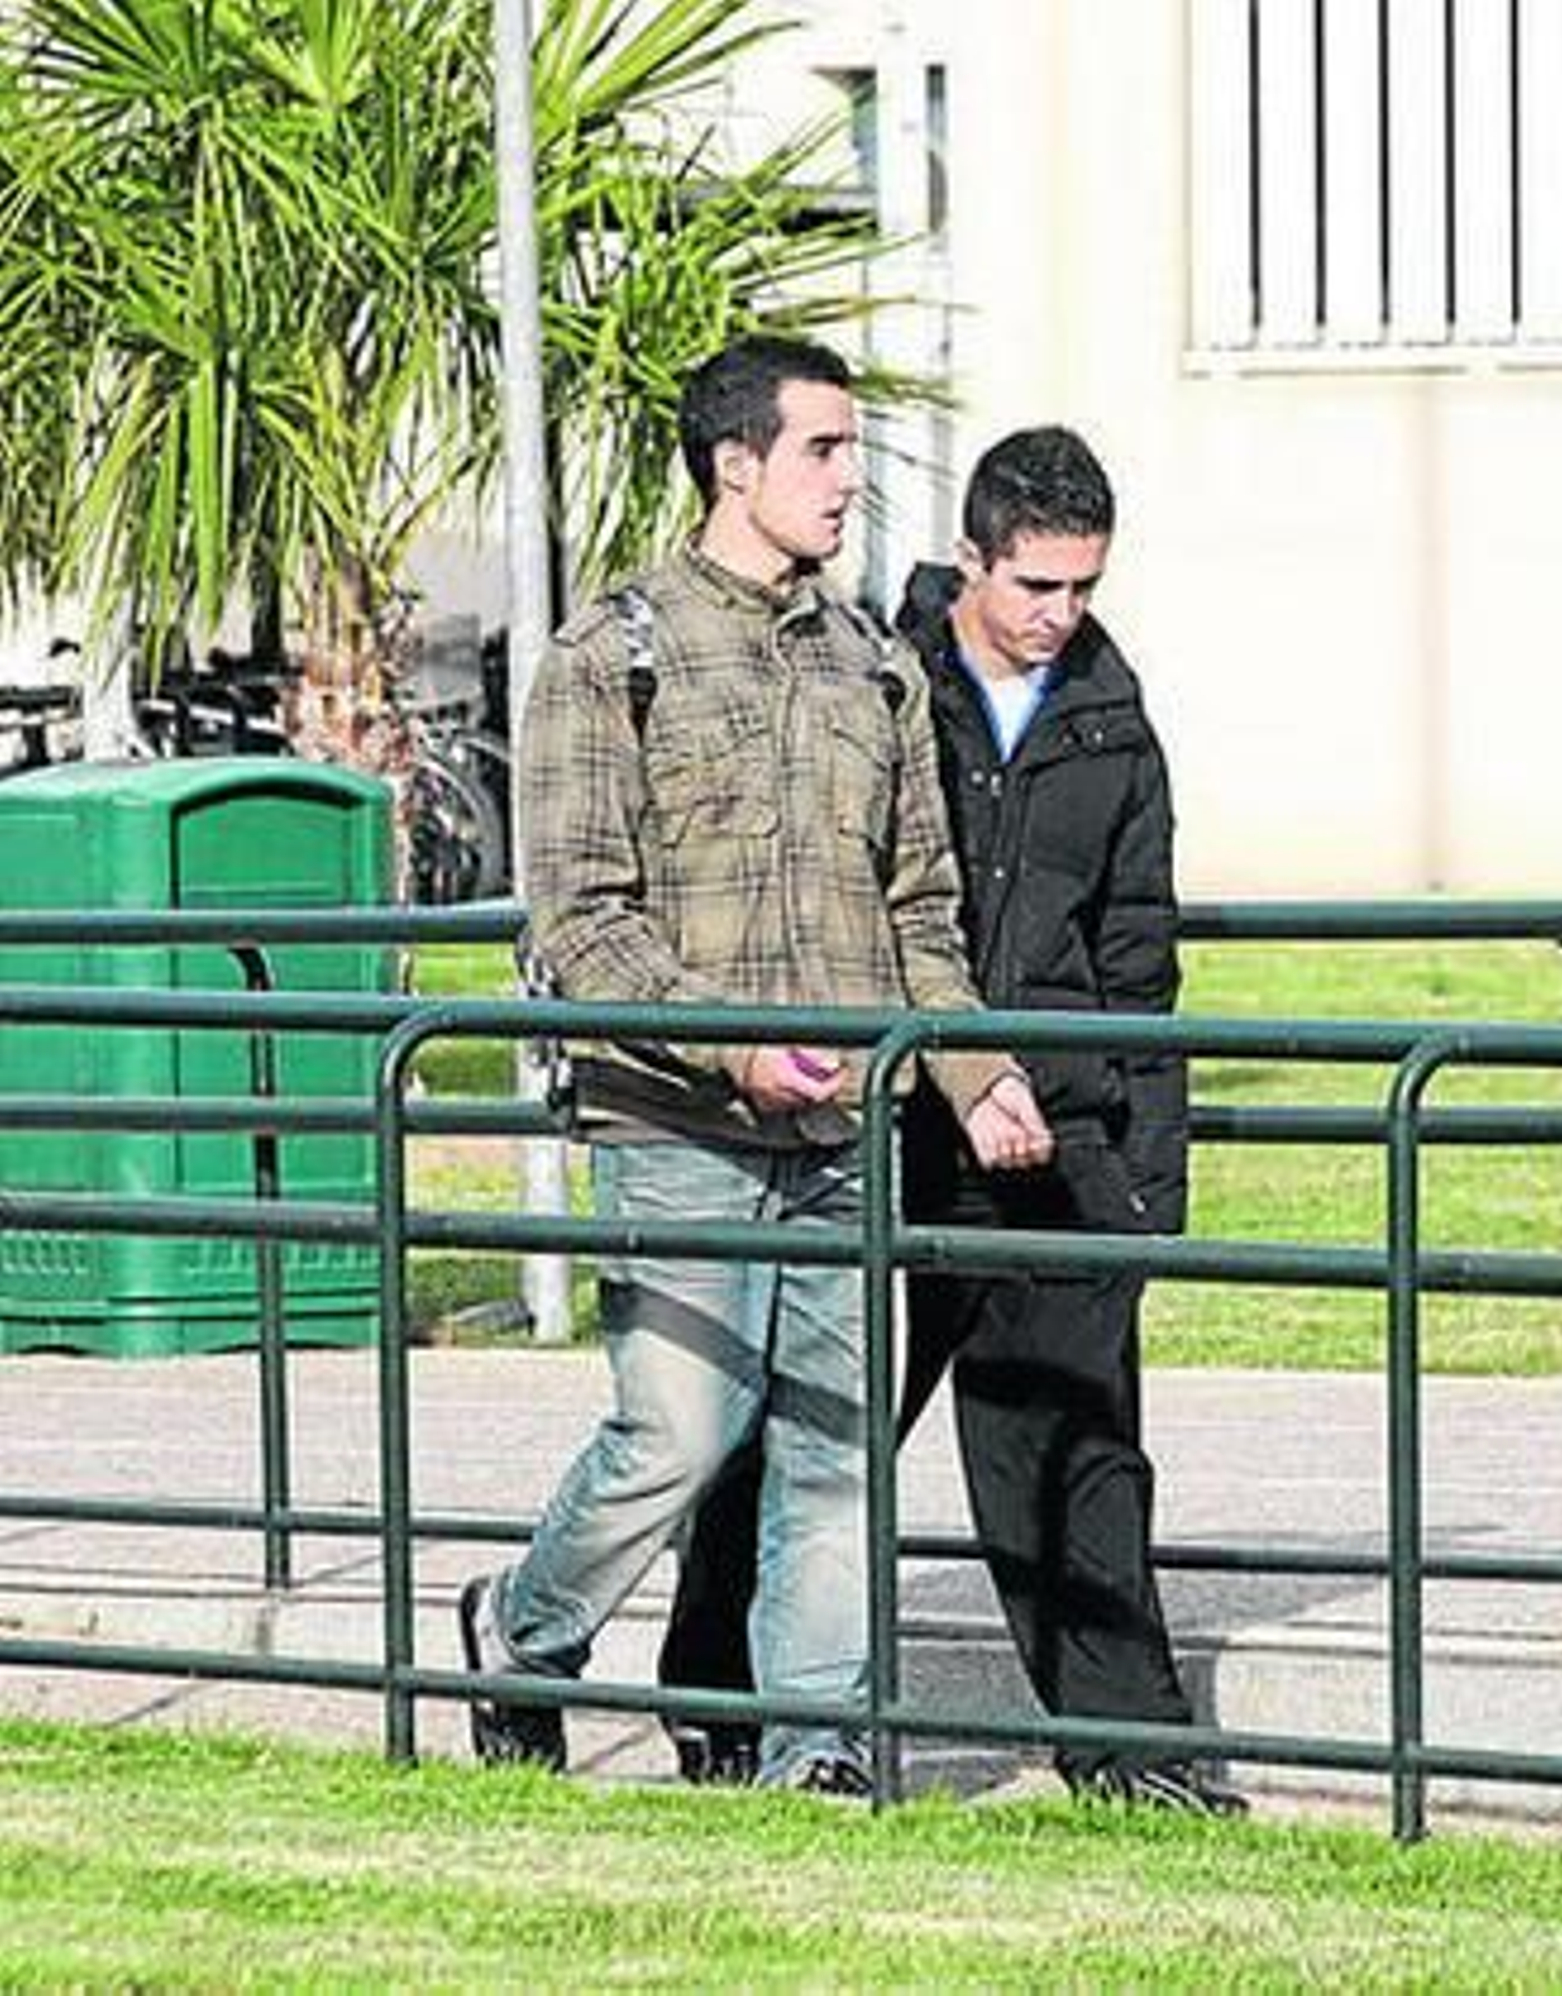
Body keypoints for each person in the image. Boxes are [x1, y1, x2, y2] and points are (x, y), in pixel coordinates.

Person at [459, 335, 1053, 1796]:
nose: (854, 481)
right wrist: (734, 1050)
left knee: (842, 1454)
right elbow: (581, 923)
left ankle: (818, 1753)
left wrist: (976, 1080)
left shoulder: (874, 668)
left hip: (848, 1124)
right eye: (826, 452)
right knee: (677, 1433)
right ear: (739, 463)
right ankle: (522, 1639)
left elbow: (921, 910)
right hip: (676, 1120)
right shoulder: (613, 656)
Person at [659, 425, 1247, 1816]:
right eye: (1036, 585)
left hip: (1063, 1145)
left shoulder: (1112, 717)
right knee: (811, 1432)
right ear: (972, 556)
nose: (1060, 616)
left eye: (1084, 587)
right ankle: (721, 1703)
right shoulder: (874, 680)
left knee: (1085, 1452)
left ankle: (1129, 1751)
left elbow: (1137, 958)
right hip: (894, 1133)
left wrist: (1146, 1182)